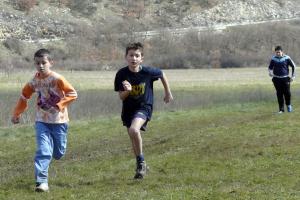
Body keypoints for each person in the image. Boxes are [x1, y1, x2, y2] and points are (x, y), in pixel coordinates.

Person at [11, 48, 77, 192]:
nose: (41, 66)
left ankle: (55, 149)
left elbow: (72, 93)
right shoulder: (33, 82)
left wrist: (59, 106)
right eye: (37, 63)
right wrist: (17, 113)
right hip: (42, 121)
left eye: (44, 62)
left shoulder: (57, 78)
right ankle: (41, 182)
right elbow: (24, 96)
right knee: (43, 151)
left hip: (59, 121)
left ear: (50, 63)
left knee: (59, 153)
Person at [114, 42, 173, 179]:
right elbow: (121, 97)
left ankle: (141, 163)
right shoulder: (121, 74)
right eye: (131, 55)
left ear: (141, 58)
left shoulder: (147, 72)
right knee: (133, 137)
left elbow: (162, 74)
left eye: (137, 56)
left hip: (144, 107)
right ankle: (140, 164)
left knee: (134, 130)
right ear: (126, 57)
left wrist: (168, 92)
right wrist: (127, 91)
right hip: (128, 110)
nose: (133, 58)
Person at [268, 45, 296, 113]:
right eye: (276, 52)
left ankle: (288, 105)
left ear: (282, 52)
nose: (278, 53)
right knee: (279, 94)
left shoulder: (287, 58)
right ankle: (281, 110)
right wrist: (270, 73)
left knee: (287, 93)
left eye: (279, 52)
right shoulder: (273, 59)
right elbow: (270, 68)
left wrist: (293, 76)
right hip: (276, 79)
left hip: (285, 78)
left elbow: (293, 66)